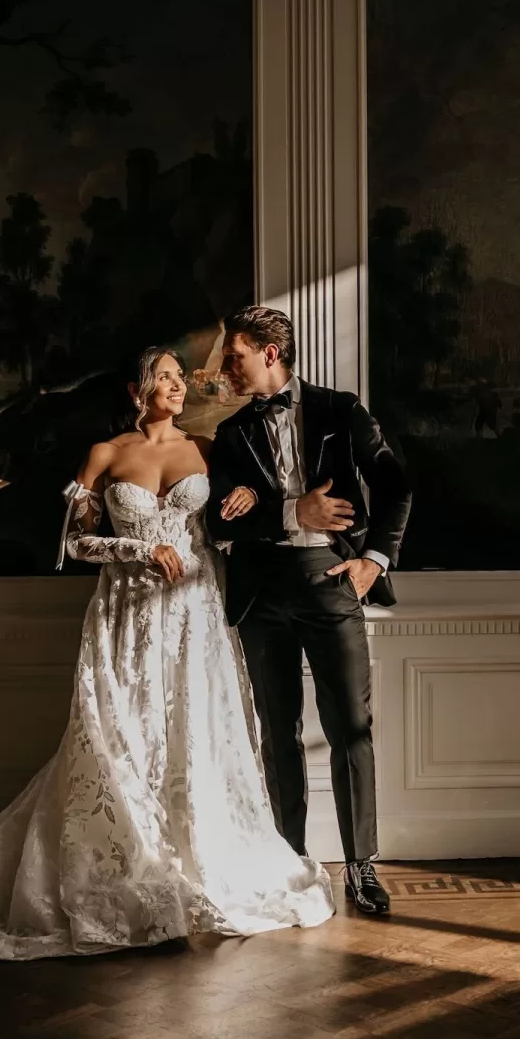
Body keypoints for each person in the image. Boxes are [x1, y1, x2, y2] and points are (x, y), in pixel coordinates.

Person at [0, 347, 334, 958]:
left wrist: (245, 497)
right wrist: (138, 551)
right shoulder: (106, 454)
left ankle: (188, 858)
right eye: (164, 377)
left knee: (191, 733)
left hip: (195, 615)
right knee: (125, 735)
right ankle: (126, 869)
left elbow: (231, 517)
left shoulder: (206, 448)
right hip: (125, 615)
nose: (177, 384)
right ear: (137, 388)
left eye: (178, 376)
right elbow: (76, 545)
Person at [206, 306, 411, 916]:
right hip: (261, 592)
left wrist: (376, 557)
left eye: (235, 355)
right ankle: (287, 862)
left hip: (329, 580)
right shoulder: (230, 434)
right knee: (279, 733)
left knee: (351, 727)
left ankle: (360, 867)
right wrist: (292, 512)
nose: (226, 368)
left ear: (271, 352)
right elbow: (215, 520)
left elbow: (396, 483)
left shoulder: (338, 410)